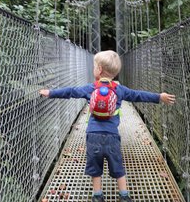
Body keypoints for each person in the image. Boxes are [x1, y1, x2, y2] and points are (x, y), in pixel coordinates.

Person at [39, 50, 175, 202]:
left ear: (99, 70)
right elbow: (138, 95)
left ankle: (97, 196)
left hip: (93, 135)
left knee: (95, 168)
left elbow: (70, 91)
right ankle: (124, 195)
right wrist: (159, 97)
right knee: (117, 165)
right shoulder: (120, 90)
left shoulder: (90, 89)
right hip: (112, 136)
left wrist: (50, 92)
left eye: (94, 66)